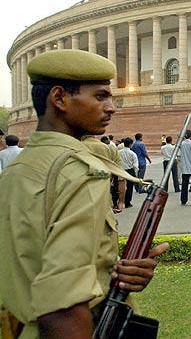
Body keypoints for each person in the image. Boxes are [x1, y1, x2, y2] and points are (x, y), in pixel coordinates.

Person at [0, 50, 167, 338]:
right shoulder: (80, 171)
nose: (111, 107)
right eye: (100, 96)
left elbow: (32, 258)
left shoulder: (17, 170)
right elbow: (64, 306)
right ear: (59, 98)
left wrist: (112, 270)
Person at [119, 137, 139, 208]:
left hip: (121, 170)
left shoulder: (119, 152)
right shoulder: (132, 153)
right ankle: (127, 202)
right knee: (130, 187)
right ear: (130, 144)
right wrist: (135, 174)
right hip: (130, 171)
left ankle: (119, 201)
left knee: (119, 186)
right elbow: (135, 165)